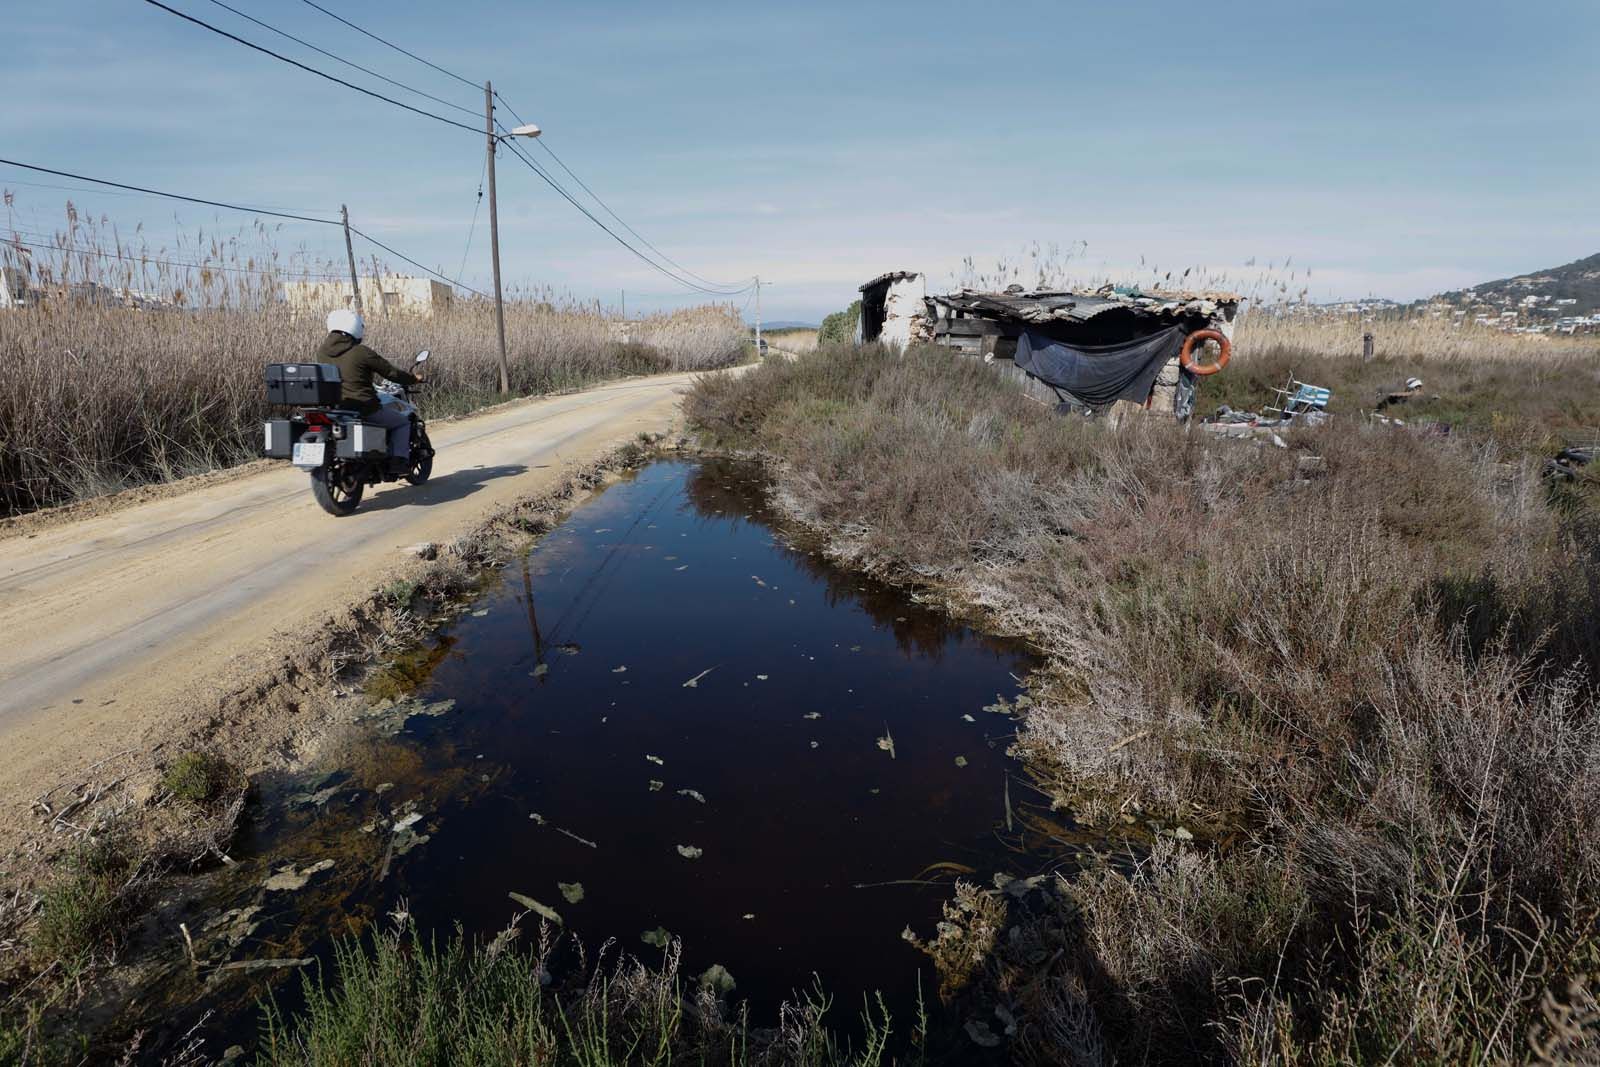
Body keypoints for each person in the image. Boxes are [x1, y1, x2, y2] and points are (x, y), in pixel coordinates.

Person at [315, 308, 421, 467]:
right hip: (363, 408)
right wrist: (413, 379)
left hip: (335, 410)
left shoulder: (321, 352)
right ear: (356, 328)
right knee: (402, 423)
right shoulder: (361, 352)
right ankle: (398, 461)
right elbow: (391, 373)